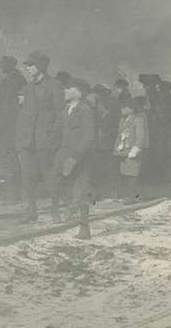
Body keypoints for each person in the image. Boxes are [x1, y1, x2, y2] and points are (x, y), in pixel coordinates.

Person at [14, 51, 64, 223]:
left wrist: (53, 139)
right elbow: (23, 115)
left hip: (46, 141)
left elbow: (60, 115)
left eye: (31, 65)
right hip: (28, 141)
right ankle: (31, 212)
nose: (27, 68)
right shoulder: (27, 88)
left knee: (50, 178)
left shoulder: (55, 85)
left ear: (41, 66)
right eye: (27, 65)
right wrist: (20, 141)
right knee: (28, 178)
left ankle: (55, 212)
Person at [53, 80, 96, 237]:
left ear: (78, 93)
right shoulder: (66, 109)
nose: (64, 91)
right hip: (64, 153)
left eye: (68, 88)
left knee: (82, 189)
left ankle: (84, 229)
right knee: (60, 182)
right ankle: (70, 207)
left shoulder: (85, 110)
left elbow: (88, 137)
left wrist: (74, 157)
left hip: (81, 156)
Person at [0, 56, 27, 203]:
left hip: (11, 126)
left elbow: (17, 106)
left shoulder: (16, 81)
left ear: (10, 65)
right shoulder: (9, 79)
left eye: (3, 63)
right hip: (6, 126)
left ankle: (12, 195)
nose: (1, 65)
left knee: (10, 161)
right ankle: (12, 194)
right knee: (9, 160)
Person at [115, 96, 149, 203]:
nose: (122, 109)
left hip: (132, 150)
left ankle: (132, 196)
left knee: (132, 173)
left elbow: (140, 136)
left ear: (131, 108)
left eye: (124, 108)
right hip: (122, 149)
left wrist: (136, 148)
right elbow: (120, 133)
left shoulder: (138, 120)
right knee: (124, 172)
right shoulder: (122, 120)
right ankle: (125, 194)